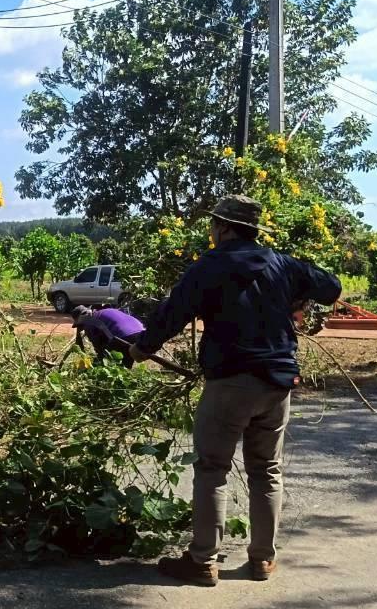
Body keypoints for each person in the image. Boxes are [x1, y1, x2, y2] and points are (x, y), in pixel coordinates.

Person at [128, 195, 342, 586]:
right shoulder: (283, 264)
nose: (211, 231)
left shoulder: (208, 266)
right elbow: (332, 287)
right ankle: (262, 560)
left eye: (213, 225)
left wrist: (143, 347)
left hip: (230, 380)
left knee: (212, 468)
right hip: (277, 382)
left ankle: (202, 561)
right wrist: (296, 293)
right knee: (267, 469)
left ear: (224, 228)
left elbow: (173, 313)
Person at [70, 305, 145, 367]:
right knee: (125, 364)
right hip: (142, 333)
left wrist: (96, 363)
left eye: (81, 325)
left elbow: (98, 346)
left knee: (107, 362)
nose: (82, 328)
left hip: (123, 335)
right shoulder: (105, 311)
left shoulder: (89, 322)